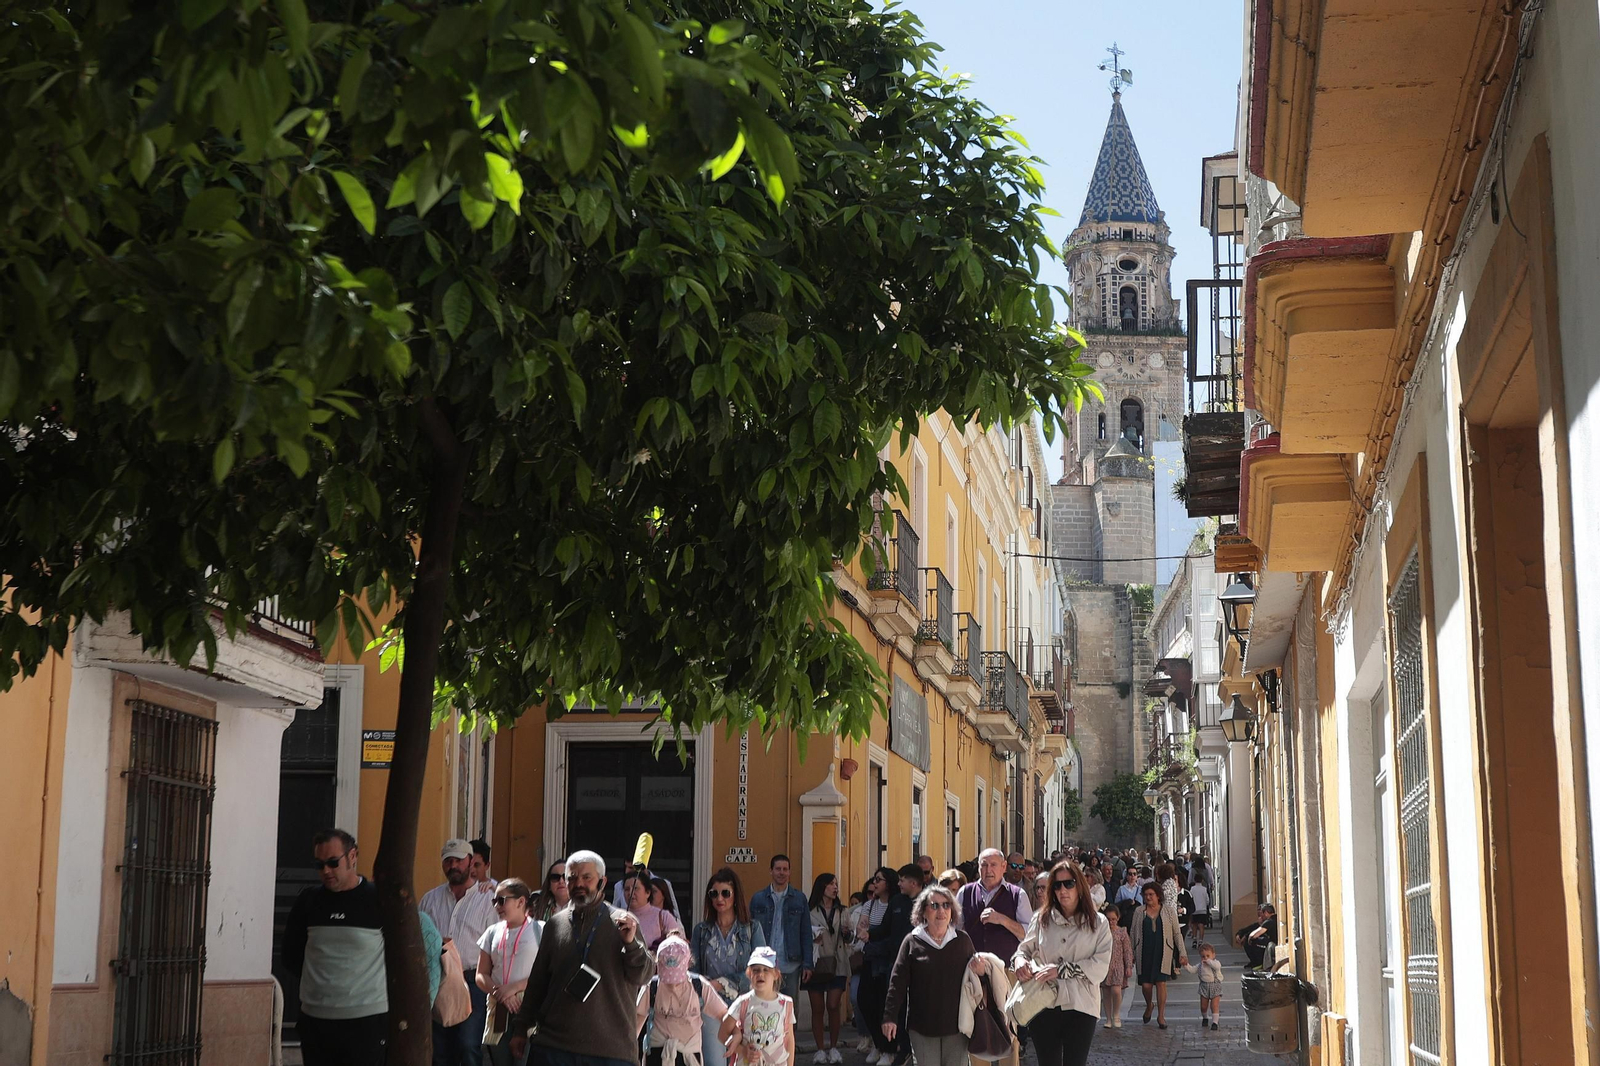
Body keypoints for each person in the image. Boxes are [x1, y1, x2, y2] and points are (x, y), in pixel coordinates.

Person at [510, 849, 654, 1066]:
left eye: (587, 877)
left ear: (602, 882)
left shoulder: (624, 923)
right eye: (572, 877)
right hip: (553, 1048)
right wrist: (521, 1028)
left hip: (610, 1051)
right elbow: (538, 983)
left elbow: (643, 976)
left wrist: (631, 944)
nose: (579, 883)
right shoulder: (555, 925)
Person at [282, 829, 387, 1066]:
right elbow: (291, 955)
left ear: (353, 856)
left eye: (332, 862)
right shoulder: (308, 901)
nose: (326, 871)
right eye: (319, 865)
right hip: (316, 1020)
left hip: (366, 1021)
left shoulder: (378, 900)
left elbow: (398, 958)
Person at [1011, 860, 1112, 1066]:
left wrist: (1062, 970)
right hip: (1043, 1002)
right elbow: (1024, 950)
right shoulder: (1041, 919)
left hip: (1081, 1004)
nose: (1062, 890)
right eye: (1056, 885)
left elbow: (1100, 966)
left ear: (1080, 885)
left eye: (1068, 884)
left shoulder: (1098, 923)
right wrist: (1020, 961)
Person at [882, 884, 985, 1066]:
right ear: (923, 912)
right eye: (934, 905)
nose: (941, 911)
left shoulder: (962, 941)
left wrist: (980, 970)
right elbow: (897, 982)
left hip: (957, 1025)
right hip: (922, 1026)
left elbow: (977, 979)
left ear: (952, 911)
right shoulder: (912, 941)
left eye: (946, 905)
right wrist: (890, 1017)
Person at [423, 838, 500, 1066]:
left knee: (468, 1046)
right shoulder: (430, 899)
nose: (453, 865)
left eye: (458, 860)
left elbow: (498, 945)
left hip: (473, 981)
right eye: (448, 861)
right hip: (438, 979)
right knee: (439, 1049)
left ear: (470, 862)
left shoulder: (489, 900)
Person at [956, 850, 1030, 1066]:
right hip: (974, 971)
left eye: (994, 865)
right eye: (984, 865)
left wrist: (1002, 920)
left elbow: (1028, 933)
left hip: (1007, 971)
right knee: (976, 1027)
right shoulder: (965, 893)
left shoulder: (1018, 895)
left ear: (1004, 867)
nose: (988, 870)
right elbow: (957, 931)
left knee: (1008, 1029)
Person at [691, 868, 767, 1066]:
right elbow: (694, 972)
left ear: (735, 896)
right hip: (710, 1006)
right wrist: (705, 986)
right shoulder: (701, 931)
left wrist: (721, 983)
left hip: (745, 1007)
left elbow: (760, 971)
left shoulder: (752, 929)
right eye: (713, 893)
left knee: (746, 1062)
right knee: (715, 1062)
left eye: (725, 893)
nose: (719, 898)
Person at [635, 932, 729, 1066]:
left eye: (677, 980)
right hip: (658, 1054)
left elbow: (723, 1014)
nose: (672, 985)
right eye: (668, 979)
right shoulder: (653, 986)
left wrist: (734, 1036)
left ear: (687, 965)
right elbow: (638, 1018)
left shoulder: (699, 986)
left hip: (689, 1054)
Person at [477, 877, 542, 1065]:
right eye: (494, 901)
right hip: (499, 1007)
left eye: (502, 900)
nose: (497, 906)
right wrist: (501, 993)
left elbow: (547, 973)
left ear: (521, 901)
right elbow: (481, 975)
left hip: (529, 1006)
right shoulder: (491, 932)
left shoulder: (541, 930)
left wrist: (515, 987)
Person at [858, 867, 914, 1066]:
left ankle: (892, 1049)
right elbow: (876, 928)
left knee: (888, 1006)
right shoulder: (873, 905)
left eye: (879, 879)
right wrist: (867, 934)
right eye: (874, 879)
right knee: (864, 1002)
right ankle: (880, 1044)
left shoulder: (902, 902)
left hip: (890, 959)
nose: (875, 883)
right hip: (874, 958)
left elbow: (893, 932)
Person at [720, 947, 796, 1066]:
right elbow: (722, 1033)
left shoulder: (786, 1004)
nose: (760, 974)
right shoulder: (743, 1002)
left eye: (766, 970)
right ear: (749, 974)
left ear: (776, 974)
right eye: (756, 970)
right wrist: (742, 1051)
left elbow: (789, 1039)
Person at [749, 855, 814, 996]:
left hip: (790, 965)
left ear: (790, 872)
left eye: (785, 869)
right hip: (764, 965)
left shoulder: (799, 899)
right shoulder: (758, 899)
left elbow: (806, 933)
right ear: (771, 871)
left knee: (789, 1011)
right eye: (778, 869)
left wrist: (808, 963)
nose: (782, 872)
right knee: (763, 1007)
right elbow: (749, 932)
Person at [803, 873, 850, 1064]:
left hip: (837, 962)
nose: (835, 887)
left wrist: (848, 933)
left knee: (833, 1004)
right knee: (817, 1008)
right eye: (831, 884)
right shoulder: (810, 911)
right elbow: (803, 935)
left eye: (836, 884)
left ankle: (834, 1047)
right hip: (817, 962)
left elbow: (850, 937)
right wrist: (812, 939)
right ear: (822, 887)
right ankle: (820, 1049)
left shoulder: (842, 911)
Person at [1129, 882, 1185, 1029]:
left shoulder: (1168, 911)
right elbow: (1133, 933)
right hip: (1144, 951)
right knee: (1146, 985)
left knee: (1161, 983)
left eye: (1151, 895)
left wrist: (1182, 953)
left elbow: (1176, 933)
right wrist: (1131, 953)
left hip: (1163, 951)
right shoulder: (1139, 912)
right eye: (1146, 895)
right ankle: (1149, 1005)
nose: (1148, 897)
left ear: (1158, 896)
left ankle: (1161, 1015)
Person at [627, 867, 685, 949]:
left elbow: (679, 951)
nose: (630, 893)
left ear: (647, 892)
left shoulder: (665, 917)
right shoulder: (618, 917)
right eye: (626, 889)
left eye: (635, 888)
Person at [1099, 904, 1133, 1030]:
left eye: (1113, 919)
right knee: (1106, 992)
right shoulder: (1101, 933)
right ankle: (1108, 1018)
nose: (1111, 922)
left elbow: (1127, 950)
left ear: (1118, 918)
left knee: (1116, 990)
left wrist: (1128, 965)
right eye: (1108, 919)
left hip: (1118, 965)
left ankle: (1116, 1014)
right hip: (1105, 965)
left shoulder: (1122, 932)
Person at [1234, 904, 1278, 969]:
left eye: (1261, 913)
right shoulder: (1275, 918)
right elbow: (1250, 928)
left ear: (1265, 913)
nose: (1260, 915)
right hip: (1273, 943)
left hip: (1273, 944)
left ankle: (1258, 963)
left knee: (1252, 940)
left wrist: (1249, 937)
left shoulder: (1269, 921)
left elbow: (1255, 934)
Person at [1196, 942, 1223, 1031]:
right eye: (1203, 956)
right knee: (1203, 1006)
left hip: (1215, 986)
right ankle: (1205, 1017)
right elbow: (1192, 969)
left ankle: (1215, 1022)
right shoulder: (1200, 965)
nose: (1205, 958)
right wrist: (1185, 965)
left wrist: (1209, 962)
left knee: (1214, 1005)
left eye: (1208, 956)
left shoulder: (1215, 963)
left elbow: (1217, 966)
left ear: (1213, 955)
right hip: (1204, 986)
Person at [1187, 878, 1210, 950]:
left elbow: (1190, 898)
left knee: (1194, 925)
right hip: (1202, 910)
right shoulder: (1204, 889)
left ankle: (1194, 940)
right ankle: (1200, 941)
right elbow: (1207, 900)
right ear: (1202, 880)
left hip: (1195, 910)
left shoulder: (1192, 889)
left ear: (1194, 880)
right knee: (1201, 925)